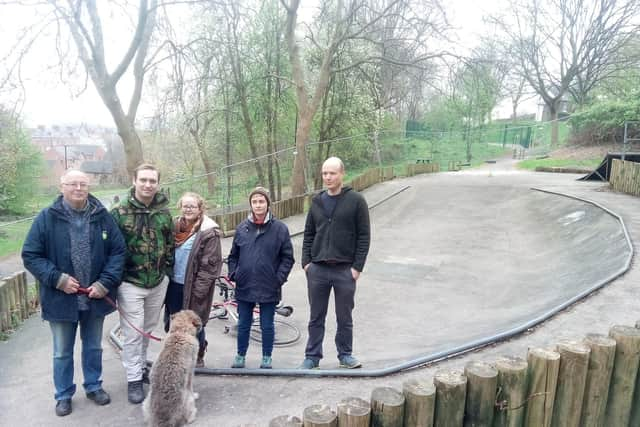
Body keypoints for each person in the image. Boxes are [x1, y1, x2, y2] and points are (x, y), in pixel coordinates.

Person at [22, 169, 126, 417]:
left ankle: (93, 386)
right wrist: (57, 279)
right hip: (60, 300)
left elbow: (118, 251)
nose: (78, 188)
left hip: (94, 297)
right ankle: (64, 394)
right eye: (73, 184)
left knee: (93, 347)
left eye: (83, 184)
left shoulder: (102, 217)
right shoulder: (47, 218)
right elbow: (31, 255)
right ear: (62, 187)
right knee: (61, 352)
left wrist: (104, 283)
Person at [111, 163, 174, 404]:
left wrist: (166, 271)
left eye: (152, 181)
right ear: (134, 180)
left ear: (157, 183)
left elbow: (170, 243)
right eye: (144, 180)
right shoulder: (119, 212)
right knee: (133, 333)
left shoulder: (163, 212)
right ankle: (133, 379)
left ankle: (142, 366)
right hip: (130, 282)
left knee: (147, 329)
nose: (148, 185)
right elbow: (110, 248)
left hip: (157, 282)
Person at [300, 157, 371, 369]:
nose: (328, 177)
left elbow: (364, 236)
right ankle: (312, 356)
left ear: (342, 174)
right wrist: (306, 263)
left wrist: (357, 267)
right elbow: (309, 234)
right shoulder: (317, 201)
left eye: (332, 173)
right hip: (318, 269)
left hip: (344, 270)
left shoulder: (356, 200)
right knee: (316, 316)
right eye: (324, 173)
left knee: (344, 316)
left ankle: (345, 355)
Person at [227, 187, 294, 369]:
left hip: (269, 285)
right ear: (250, 204)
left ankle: (266, 357)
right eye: (255, 201)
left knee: (267, 325)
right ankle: (240, 355)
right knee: (243, 324)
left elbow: (288, 258)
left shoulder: (280, 229)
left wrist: (278, 278)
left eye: (261, 201)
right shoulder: (242, 228)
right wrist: (234, 274)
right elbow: (233, 256)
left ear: (267, 204)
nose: (258, 205)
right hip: (245, 285)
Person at [164, 192, 223, 368]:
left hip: (195, 287)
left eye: (193, 206)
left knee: (195, 323)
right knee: (174, 322)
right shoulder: (174, 227)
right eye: (185, 205)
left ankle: (198, 354)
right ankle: (177, 354)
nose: (188, 209)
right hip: (173, 285)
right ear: (180, 207)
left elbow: (210, 266)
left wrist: (199, 291)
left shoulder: (208, 232)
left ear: (200, 209)